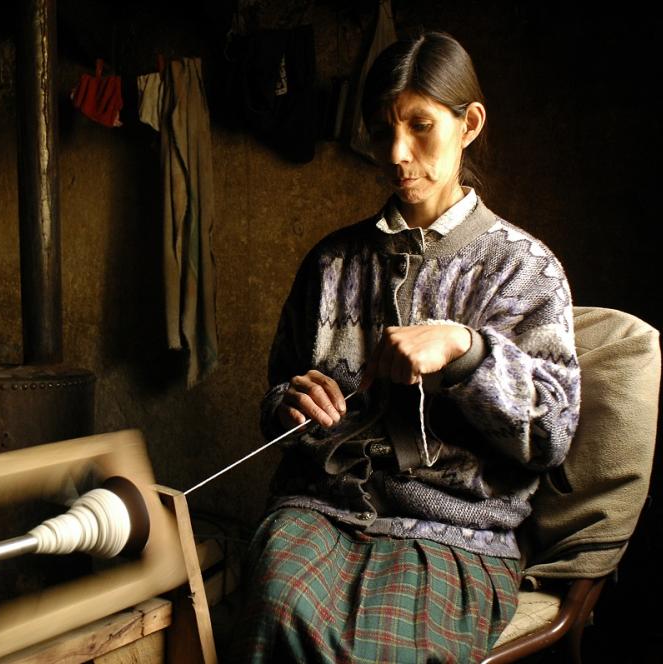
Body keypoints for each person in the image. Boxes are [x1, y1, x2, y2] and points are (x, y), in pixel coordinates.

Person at [232, 30, 581, 663]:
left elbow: (553, 431)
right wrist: (291, 402)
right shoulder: (333, 262)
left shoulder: (522, 269)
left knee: (374, 652)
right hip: (321, 511)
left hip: (456, 534)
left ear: (468, 123)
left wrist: (468, 351)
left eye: (420, 126)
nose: (397, 154)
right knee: (277, 613)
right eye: (381, 132)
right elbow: (279, 388)